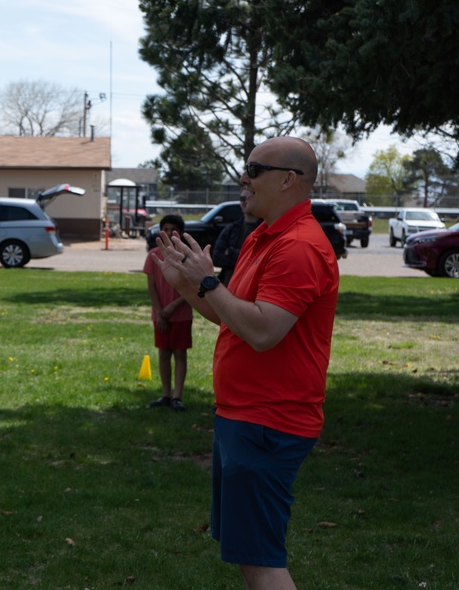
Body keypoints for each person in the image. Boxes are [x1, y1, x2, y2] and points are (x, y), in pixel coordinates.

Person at [153, 137, 339, 590]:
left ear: (288, 180)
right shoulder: (265, 236)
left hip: (268, 422)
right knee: (248, 555)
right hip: (243, 416)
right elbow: (230, 315)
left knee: (261, 561)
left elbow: (262, 331)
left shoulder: (298, 248)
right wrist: (188, 285)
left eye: (254, 169)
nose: (244, 177)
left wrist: (208, 281)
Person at [142, 214, 192, 411]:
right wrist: (159, 311)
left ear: (180, 232)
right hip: (161, 315)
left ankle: (177, 396)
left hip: (181, 314)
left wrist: (172, 307)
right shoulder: (153, 255)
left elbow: (191, 289)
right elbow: (152, 287)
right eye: (166, 228)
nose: (170, 232)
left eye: (174, 229)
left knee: (180, 353)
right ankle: (165, 394)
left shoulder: (186, 257)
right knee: (164, 353)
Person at [211, 198, 262, 285]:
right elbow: (217, 258)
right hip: (228, 284)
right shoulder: (231, 229)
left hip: (251, 286)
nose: (245, 202)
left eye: (249, 198)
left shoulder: (264, 229)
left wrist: (231, 252)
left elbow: (258, 261)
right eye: (242, 199)